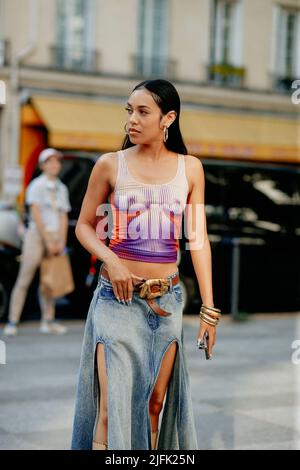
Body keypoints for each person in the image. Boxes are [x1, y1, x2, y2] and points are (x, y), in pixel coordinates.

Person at [71, 79, 221, 451]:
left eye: (143, 112)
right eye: (129, 111)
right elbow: (84, 226)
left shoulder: (190, 169)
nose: (132, 121)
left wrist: (209, 309)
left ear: (168, 118)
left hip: (166, 303)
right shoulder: (110, 165)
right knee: (111, 410)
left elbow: (198, 239)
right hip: (116, 301)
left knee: (155, 404)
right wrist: (111, 260)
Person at [3, 148, 71, 336]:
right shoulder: (37, 186)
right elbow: (36, 214)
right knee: (25, 277)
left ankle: (48, 320)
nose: (55, 165)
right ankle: (12, 320)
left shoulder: (61, 188)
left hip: (55, 236)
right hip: (37, 236)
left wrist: (61, 241)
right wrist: (48, 240)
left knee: (48, 281)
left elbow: (63, 216)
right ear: (43, 165)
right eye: (50, 161)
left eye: (57, 161)